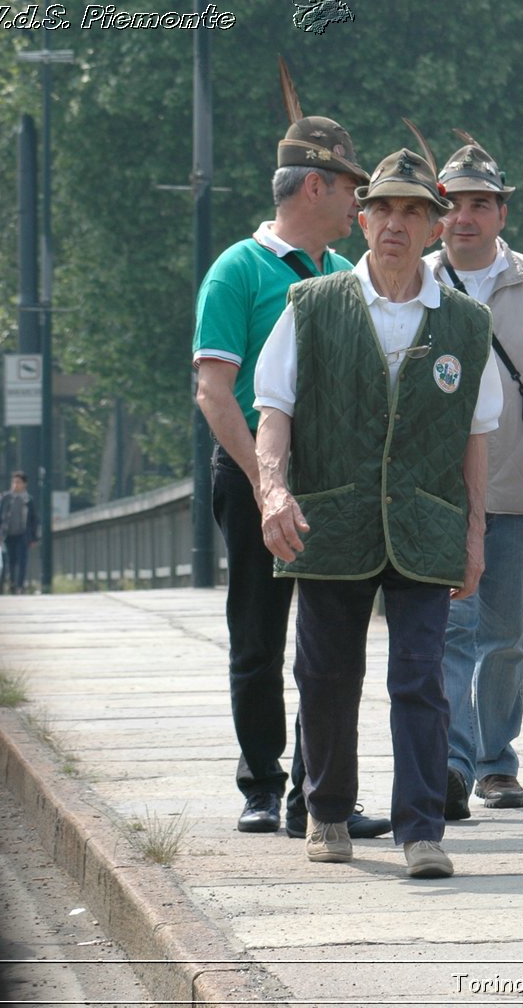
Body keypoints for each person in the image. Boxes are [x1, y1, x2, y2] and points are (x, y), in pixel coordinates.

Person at [254, 145, 503, 879]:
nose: (397, 222)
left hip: (426, 523)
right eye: (384, 208)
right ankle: (327, 809)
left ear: (434, 225)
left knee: (420, 678)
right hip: (332, 521)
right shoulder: (313, 304)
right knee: (327, 673)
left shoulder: (466, 322)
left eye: (414, 211)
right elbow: (274, 410)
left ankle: (422, 828)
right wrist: (273, 490)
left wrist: (475, 533)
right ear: (361, 219)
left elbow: (476, 438)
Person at [193, 107, 392, 842]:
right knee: (258, 631)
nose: (358, 204)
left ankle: (319, 790)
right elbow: (216, 392)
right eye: (351, 188)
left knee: (331, 637)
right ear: (316, 186)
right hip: (252, 472)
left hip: (331, 476)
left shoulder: (346, 276)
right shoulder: (237, 271)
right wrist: (264, 480)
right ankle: (261, 781)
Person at [423, 134, 523, 818]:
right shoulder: (416, 281)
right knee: (450, 629)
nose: (466, 217)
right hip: (437, 489)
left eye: (481, 204)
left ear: (502, 213)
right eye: (454, 203)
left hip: (516, 484)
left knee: (506, 633)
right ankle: (453, 760)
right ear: (438, 211)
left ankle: (496, 761)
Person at [0, 473, 39, 594]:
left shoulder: (28, 499)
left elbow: (33, 519)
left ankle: (20, 585)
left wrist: (34, 537)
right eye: (14, 482)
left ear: (25, 484)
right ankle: (12, 584)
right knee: (10, 560)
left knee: (22, 561)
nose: (15, 485)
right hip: (8, 534)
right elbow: (0, 517)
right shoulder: (6, 498)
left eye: (18, 482)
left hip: (23, 535)